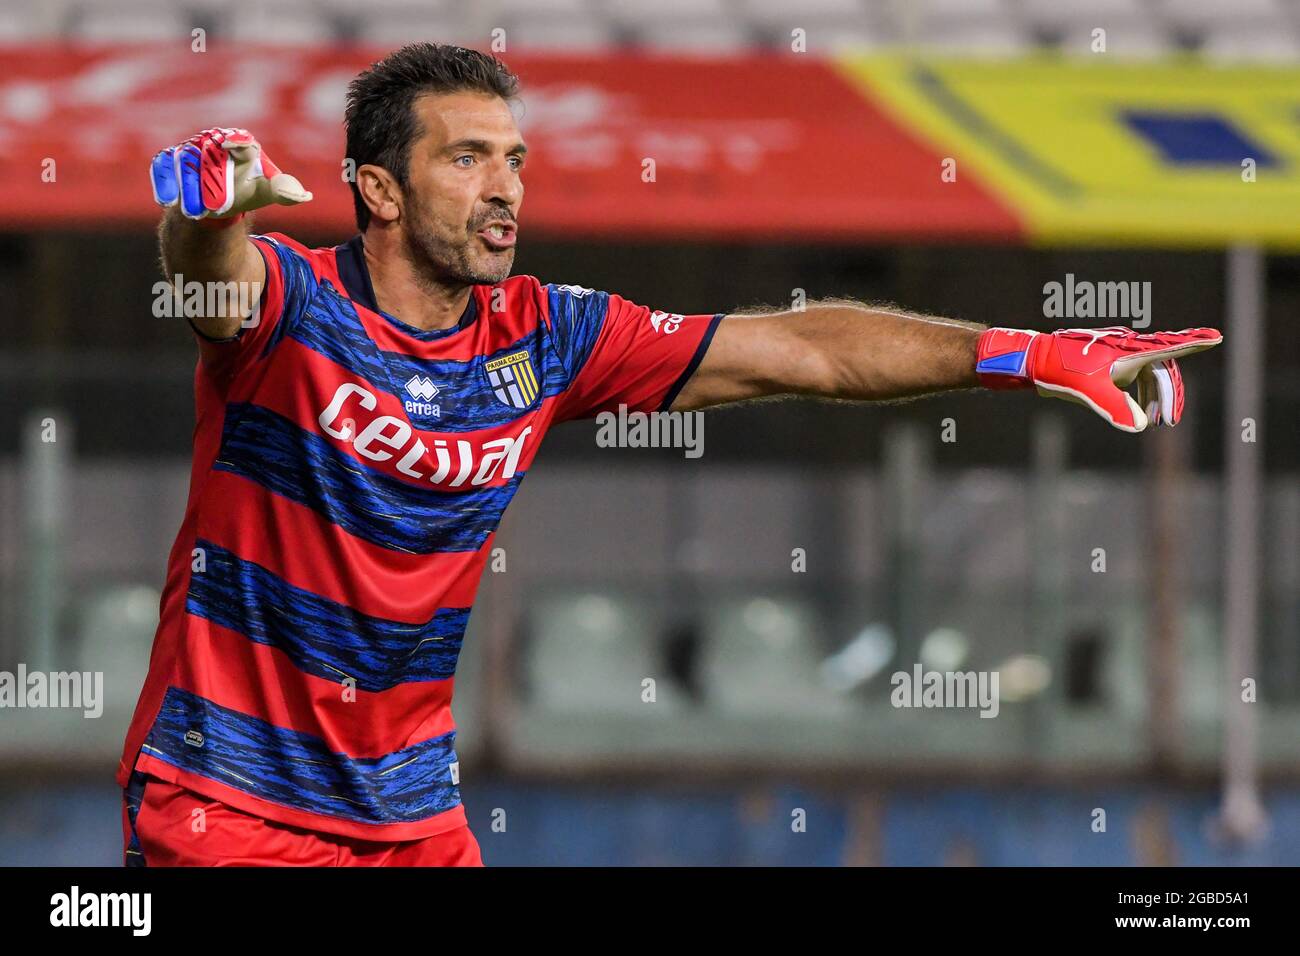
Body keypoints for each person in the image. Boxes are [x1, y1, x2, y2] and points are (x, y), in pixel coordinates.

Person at [119, 42, 1221, 866]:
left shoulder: (547, 334)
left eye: (515, 159)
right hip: (228, 802)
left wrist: (1028, 353)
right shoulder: (296, 310)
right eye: (468, 159)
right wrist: (208, 214)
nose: (505, 187)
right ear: (380, 190)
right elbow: (215, 282)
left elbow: (802, 349)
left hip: (409, 815)